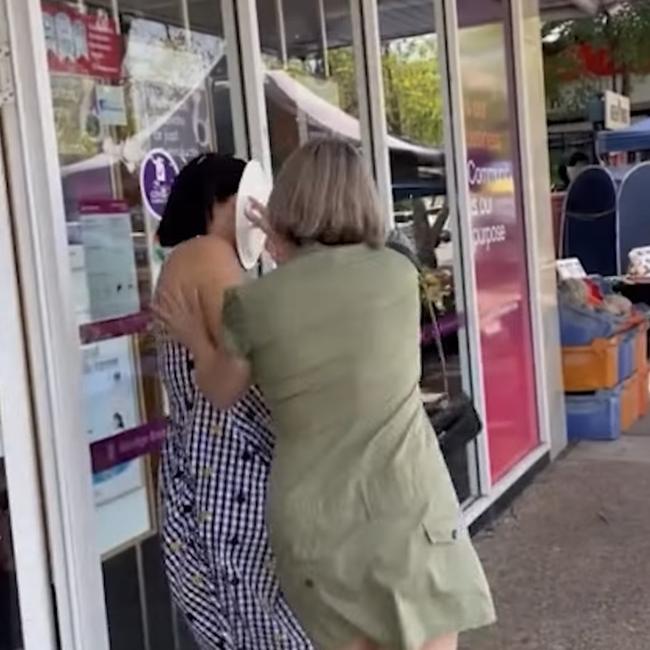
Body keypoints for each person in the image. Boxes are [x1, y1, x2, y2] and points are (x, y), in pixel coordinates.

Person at [155, 139, 495, 650]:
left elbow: (222, 389)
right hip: (408, 507)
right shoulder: (401, 276)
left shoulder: (257, 303)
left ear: (287, 205)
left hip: (315, 525)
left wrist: (195, 340)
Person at [154, 153, 311, 650]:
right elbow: (244, 364)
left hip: (208, 467)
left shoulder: (188, 258)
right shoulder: (206, 254)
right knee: (266, 621)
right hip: (230, 465)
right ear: (218, 202)